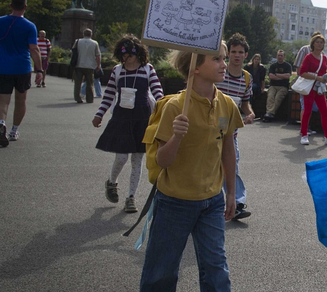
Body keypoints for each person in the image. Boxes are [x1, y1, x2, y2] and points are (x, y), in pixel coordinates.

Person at [139, 48, 244, 291]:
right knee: (161, 272)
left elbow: (229, 150)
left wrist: (230, 192)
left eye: (224, 58)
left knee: (216, 269)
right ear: (195, 67)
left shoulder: (227, 104)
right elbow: (163, 160)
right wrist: (176, 136)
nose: (224, 64)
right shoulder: (175, 107)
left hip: (212, 201)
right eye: (217, 59)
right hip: (174, 201)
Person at [92, 35, 164, 213]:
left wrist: (165, 109)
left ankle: (131, 197)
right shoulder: (117, 71)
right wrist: (99, 114)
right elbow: (108, 94)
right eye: (123, 56)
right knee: (122, 157)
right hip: (122, 118)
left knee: (137, 160)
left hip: (142, 119)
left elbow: (158, 92)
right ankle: (112, 182)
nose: (126, 59)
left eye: (130, 55)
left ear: (138, 54)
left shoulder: (148, 69)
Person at [0, 0, 44, 146]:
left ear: (10, 6)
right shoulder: (30, 26)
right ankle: (14, 130)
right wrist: (39, 70)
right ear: (25, 7)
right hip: (22, 67)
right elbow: (34, 49)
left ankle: (1, 123)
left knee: (2, 101)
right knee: (20, 100)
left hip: (3, 67)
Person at [215, 33, 256, 220]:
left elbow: (245, 103)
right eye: (233, 52)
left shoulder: (247, 78)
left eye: (240, 52)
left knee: (232, 167)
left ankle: (238, 203)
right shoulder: (218, 73)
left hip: (231, 133)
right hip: (210, 129)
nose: (237, 55)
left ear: (246, 55)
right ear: (228, 53)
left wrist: (250, 113)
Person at [298, 33, 327, 146]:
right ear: (313, 44)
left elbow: (323, 72)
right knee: (307, 110)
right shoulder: (308, 57)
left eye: (321, 42)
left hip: (319, 87)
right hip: (310, 86)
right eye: (317, 42)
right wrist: (317, 77)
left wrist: (325, 77)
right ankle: (304, 135)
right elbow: (302, 72)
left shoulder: (324, 58)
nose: (319, 44)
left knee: (325, 111)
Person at [73, 28, 101, 104]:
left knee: (78, 83)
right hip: (90, 66)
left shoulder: (77, 41)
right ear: (91, 35)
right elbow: (98, 56)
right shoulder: (95, 43)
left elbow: (73, 52)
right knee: (89, 83)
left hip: (79, 64)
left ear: (83, 34)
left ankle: (77, 97)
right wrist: (98, 65)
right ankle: (89, 99)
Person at [263, 50, 292, 122]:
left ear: (284, 57)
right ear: (276, 56)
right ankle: (270, 113)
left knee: (277, 98)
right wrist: (282, 76)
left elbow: (288, 76)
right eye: (278, 55)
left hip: (283, 86)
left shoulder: (288, 66)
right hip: (273, 85)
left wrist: (277, 75)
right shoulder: (273, 66)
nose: (280, 57)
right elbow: (271, 76)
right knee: (270, 97)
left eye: (281, 55)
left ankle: (269, 113)